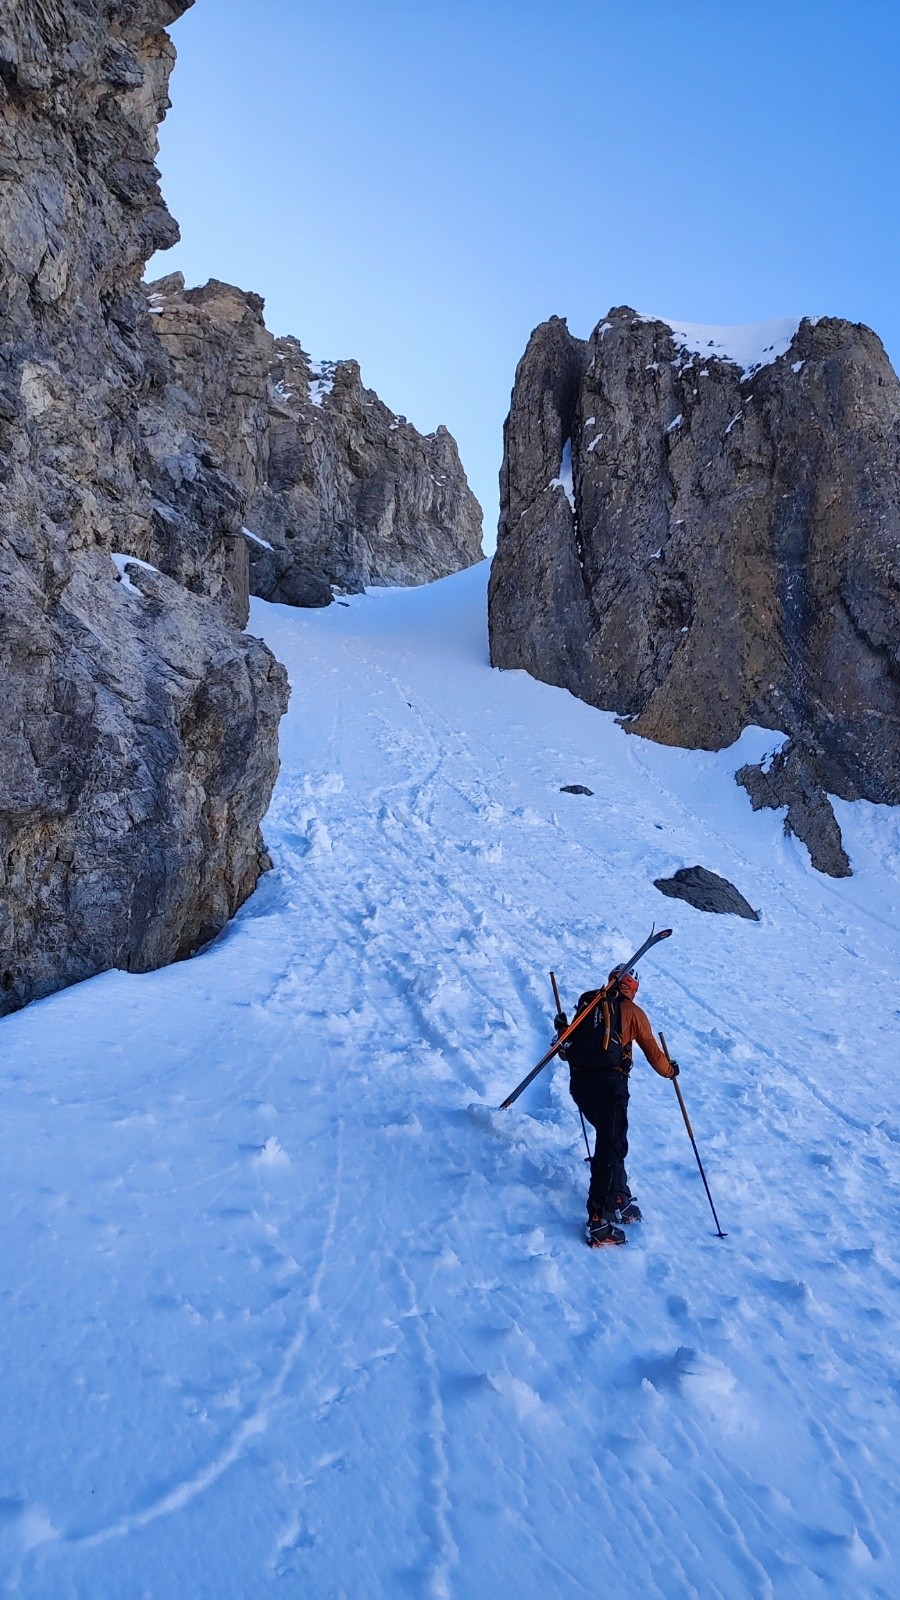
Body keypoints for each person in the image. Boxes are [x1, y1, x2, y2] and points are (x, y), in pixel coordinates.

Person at [555, 965, 678, 1247]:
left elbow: (567, 1050)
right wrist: (671, 1071)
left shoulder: (590, 1004)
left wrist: (561, 1028)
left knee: (613, 1141)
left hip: (581, 1086)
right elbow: (653, 1054)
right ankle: (599, 1220)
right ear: (633, 988)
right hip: (610, 1085)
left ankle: (619, 1196)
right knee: (609, 1147)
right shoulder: (633, 1013)